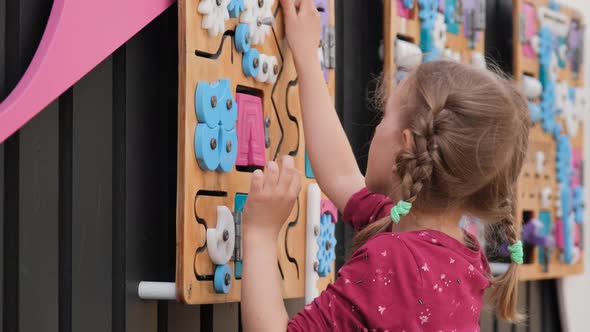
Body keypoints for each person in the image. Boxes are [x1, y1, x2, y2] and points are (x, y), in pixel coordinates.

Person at [240, 0, 531, 330]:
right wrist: (307, 59)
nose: (376, 127)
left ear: (405, 144)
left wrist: (260, 236)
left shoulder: (396, 262)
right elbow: (341, 177)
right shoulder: (452, 249)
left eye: (384, 117)